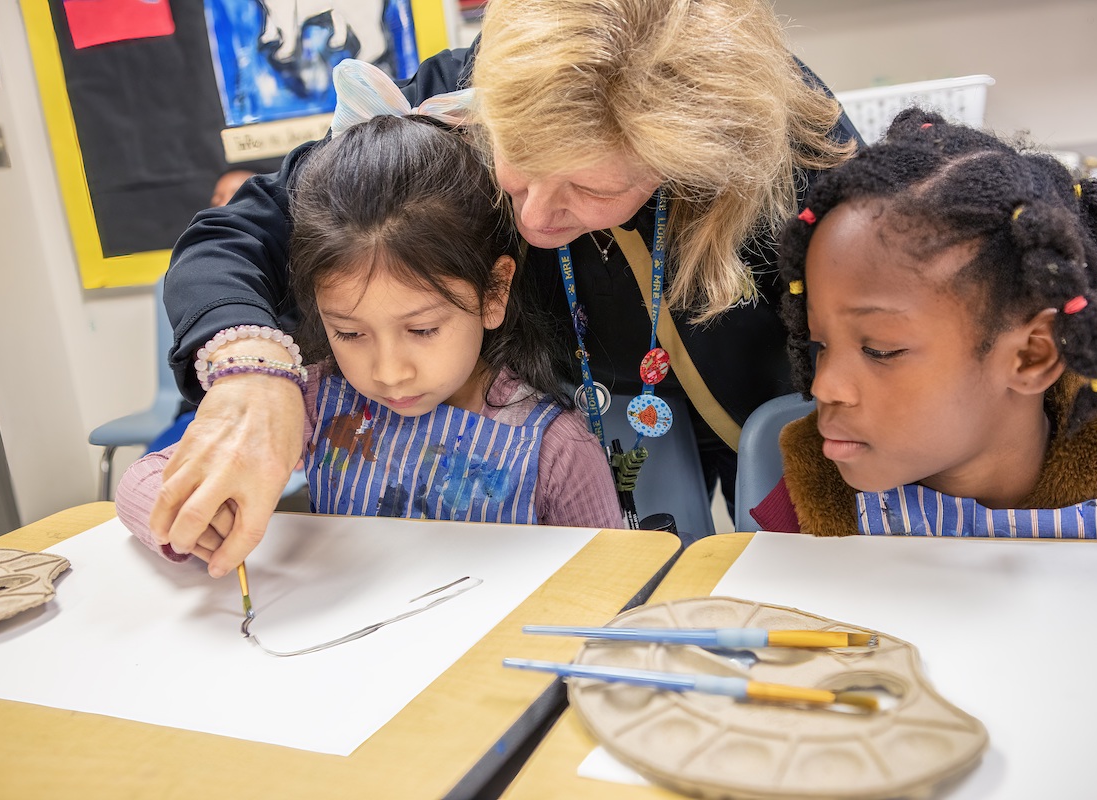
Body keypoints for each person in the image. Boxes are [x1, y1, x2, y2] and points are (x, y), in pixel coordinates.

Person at [157, 0, 861, 577]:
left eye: (588, 188)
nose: (532, 218)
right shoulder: (457, 94)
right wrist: (247, 365)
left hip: (773, 411)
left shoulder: (772, 131)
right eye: (515, 163)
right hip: (579, 421)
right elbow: (237, 236)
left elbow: (868, 316)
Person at [117, 107, 624, 564]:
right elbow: (139, 483)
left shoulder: (555, 448)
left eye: (422, 329)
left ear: (494, 293)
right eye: (349, 333)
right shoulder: (313, 403)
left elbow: (610, 582)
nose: (388, 372)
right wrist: (197, 518)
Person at [750, 108, 1097, 538]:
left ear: (1030, 357)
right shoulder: (815, 492)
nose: (824, 387)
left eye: (880, 349)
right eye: (819, 345)